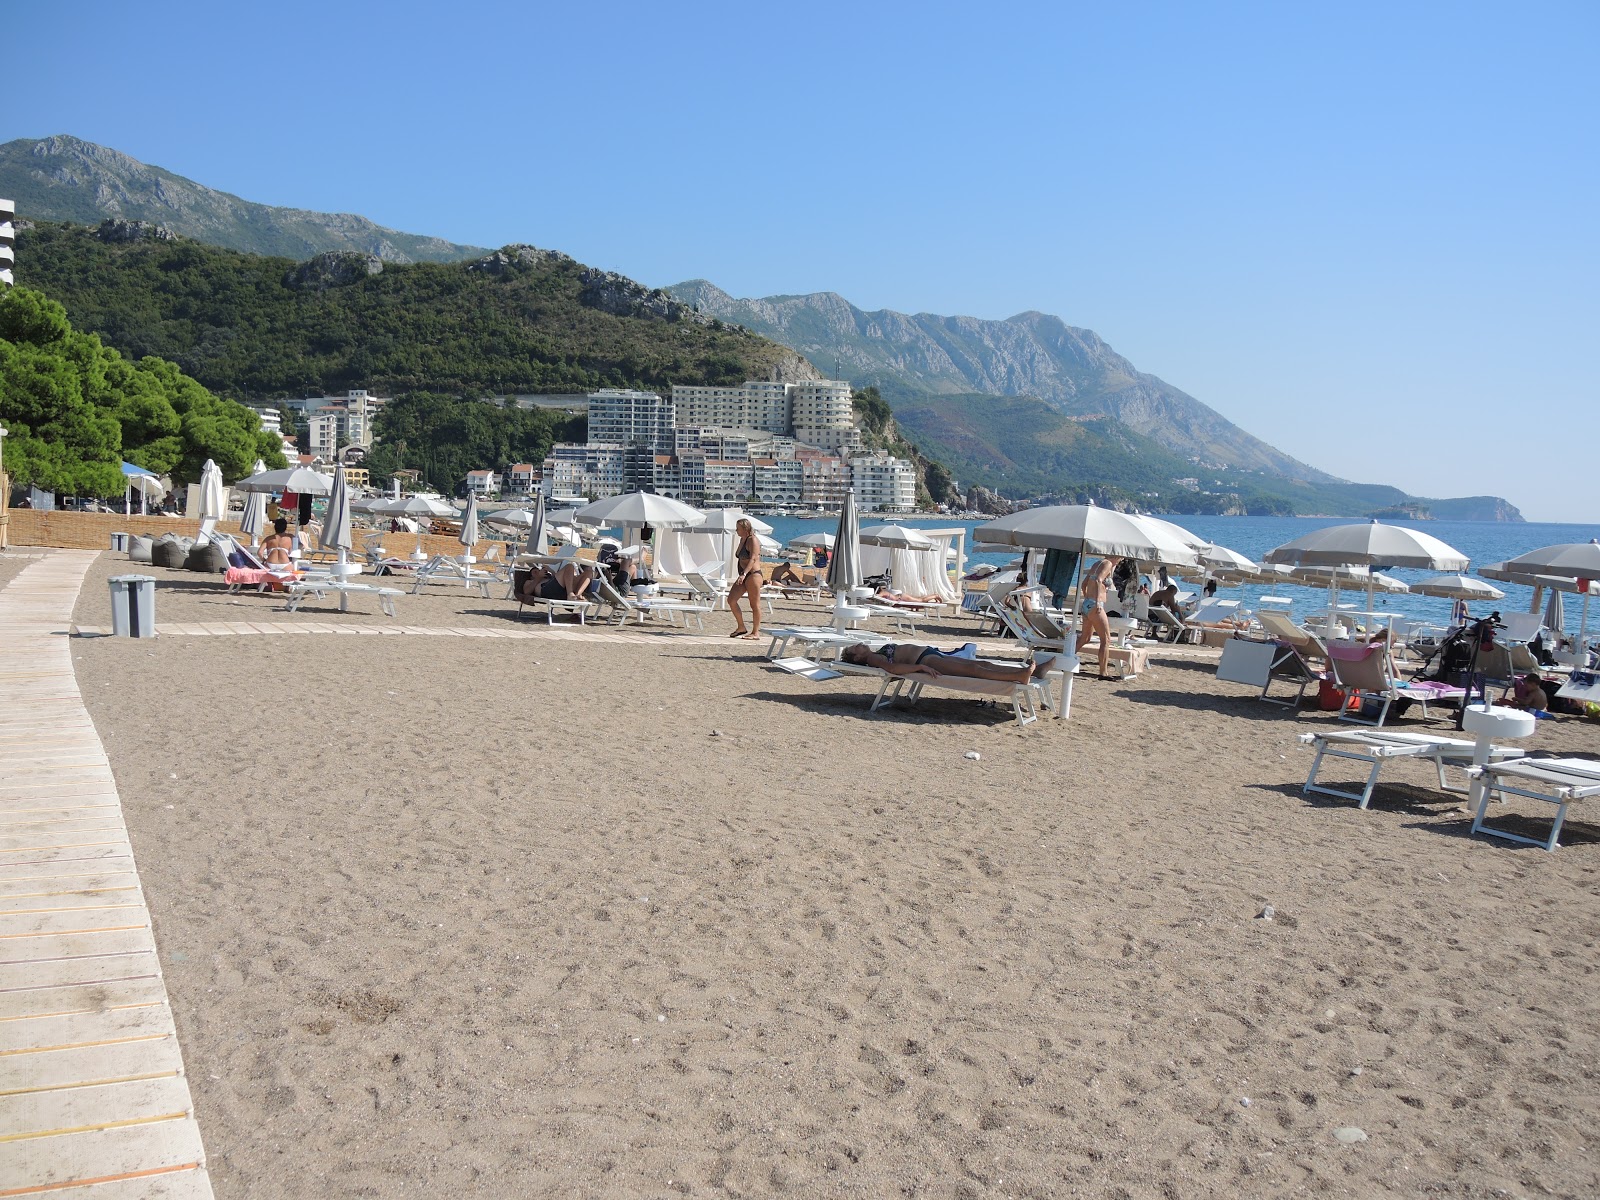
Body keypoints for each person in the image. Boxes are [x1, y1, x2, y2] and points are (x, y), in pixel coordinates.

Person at [841, 642, 1054, 683]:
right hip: (926, 659)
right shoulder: (873, 658)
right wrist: (921, 667)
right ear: (857, 658)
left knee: (981, 665)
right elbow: (894, 668)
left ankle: (1033, 673)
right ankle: (1020, 676)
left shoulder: (874, 654)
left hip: (930, 655)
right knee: (974, 668)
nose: (859, 644)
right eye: (855, 648)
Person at [1075, 556, 1120, 680]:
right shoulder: (1108, 564)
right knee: (1106, 639)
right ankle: (1103, 672)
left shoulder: (1097, 564)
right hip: (1096, 605)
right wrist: (1097, 601)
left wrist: (1088, 598)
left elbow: (1084, 584)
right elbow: (1098, 580)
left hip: (1087, 604)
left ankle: (1065, 661)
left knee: (1085, 638)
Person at [728, 518, 764, 639]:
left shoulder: (753, 540)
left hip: (753, 574)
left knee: (754, 604)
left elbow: (753, 558)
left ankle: (755, 632)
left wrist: (744, 574)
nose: (736, 530)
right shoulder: (742, 540)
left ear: (745, 528)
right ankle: (741, 627)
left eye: (738, 528)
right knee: (731, 600)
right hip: (744, 574)